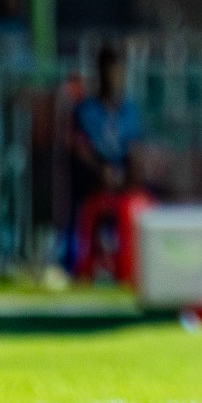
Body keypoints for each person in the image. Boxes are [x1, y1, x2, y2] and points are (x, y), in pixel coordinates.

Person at [70, 44, 147, 280]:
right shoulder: (86, 110)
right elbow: (81, 150)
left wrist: (129, 177)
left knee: (146, 199)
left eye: (118, 70)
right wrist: (101, 171)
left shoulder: (130, 110)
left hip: (123, 181)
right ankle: (86, 264)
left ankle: (134, 264)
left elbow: (135, 148)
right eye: (108, 70)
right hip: (93, 180)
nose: (114, 76)